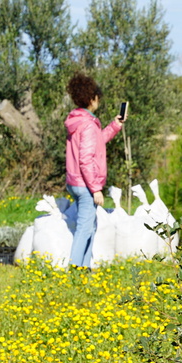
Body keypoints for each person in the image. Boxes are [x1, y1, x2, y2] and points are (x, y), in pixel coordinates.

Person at [65, 72, 125, 269]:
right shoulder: (89, 125)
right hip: (85, 184)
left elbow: (97, 143)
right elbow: (86, 160)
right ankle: (75, 270)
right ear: (92, 99)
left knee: (89, 226)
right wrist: (96, 188)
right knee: (84, 229)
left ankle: (84, 268)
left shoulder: (77, 121)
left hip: (74, 181)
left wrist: (115, 126)